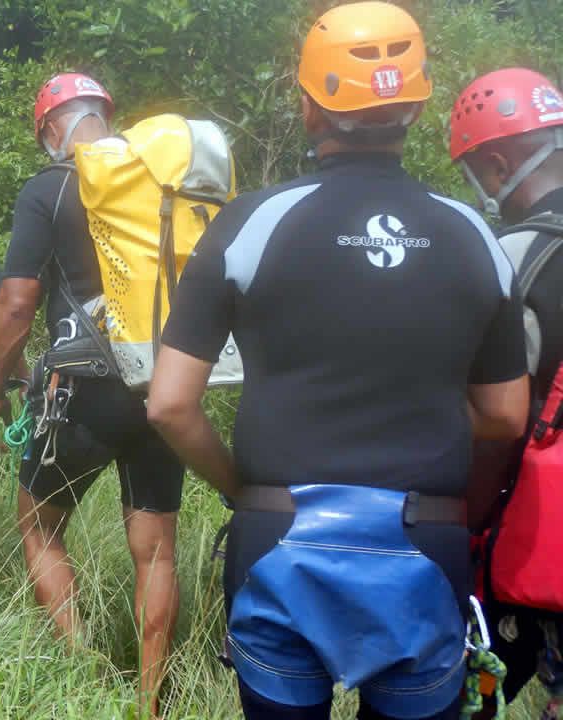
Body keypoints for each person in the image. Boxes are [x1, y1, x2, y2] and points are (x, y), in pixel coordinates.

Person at [144, 4, 529, 719]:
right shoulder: (474, 234)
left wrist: (239, 485)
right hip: (424, 541)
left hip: (279, 536)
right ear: (416, 104)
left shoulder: (251, 223)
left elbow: (169, 403)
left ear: (310, 106)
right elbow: (505, 414)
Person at [0, 71, 182, 716]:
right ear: (106, 115)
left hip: (81, 389)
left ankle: (86, 681)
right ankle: (151, 700)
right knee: (156, 551)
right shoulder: (159, 183)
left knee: (38, 528)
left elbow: (15, 302)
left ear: (48, 130)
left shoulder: (50, 188)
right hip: (161, 383)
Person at [449, 68, 563, 720]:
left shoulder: (510, 257)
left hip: (528, 535)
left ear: (497, 164)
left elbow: (495, 423)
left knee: (459, 700)